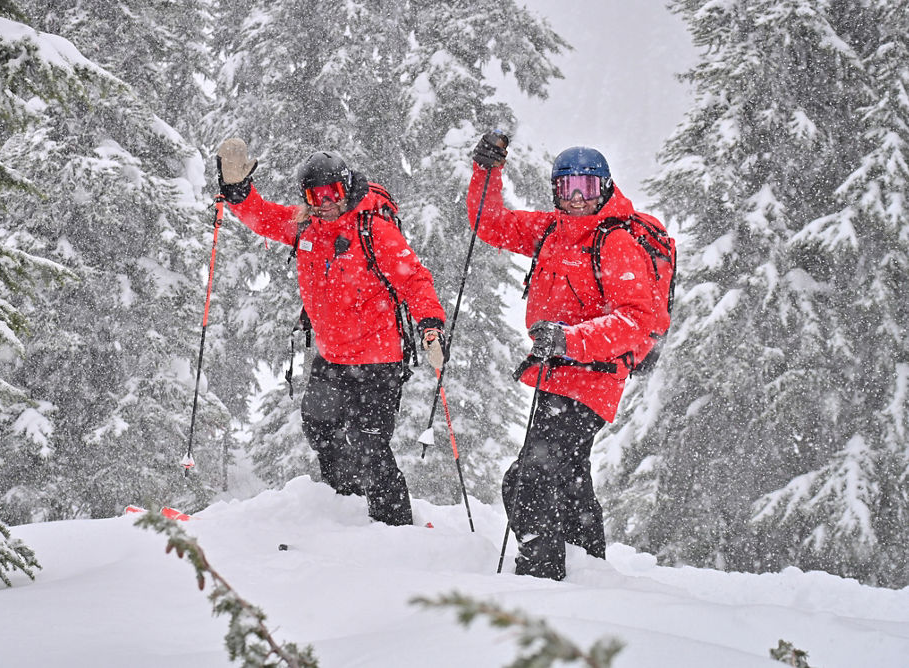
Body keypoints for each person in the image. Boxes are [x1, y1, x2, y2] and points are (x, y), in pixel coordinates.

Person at [215, 138, 446, 527]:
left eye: (332, 193)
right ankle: (347, 508)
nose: (325, 202)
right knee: (319, 426)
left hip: (378, 360)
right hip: (332, 356)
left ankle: (394, 528)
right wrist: (238, 192)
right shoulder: (305, 226)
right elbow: (263, 216)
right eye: (314, 195)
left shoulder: (373, 230)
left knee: (370, 444)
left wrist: (431, 327)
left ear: (347, 187)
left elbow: (416, 281)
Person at [467, 131, 664, 579]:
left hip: (592, 378)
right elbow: (489, 222)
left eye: (587, 188)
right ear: (555, 190)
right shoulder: (550, 229)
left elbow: (635, 319)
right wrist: (486, 171)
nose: (577, 198)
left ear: (606, 188)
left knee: (528, 478)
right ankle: (588, 568)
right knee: (567, 476)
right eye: (567, 188)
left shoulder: (615, 241)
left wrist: (570, 341)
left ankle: (543, 573)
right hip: (555, 375)